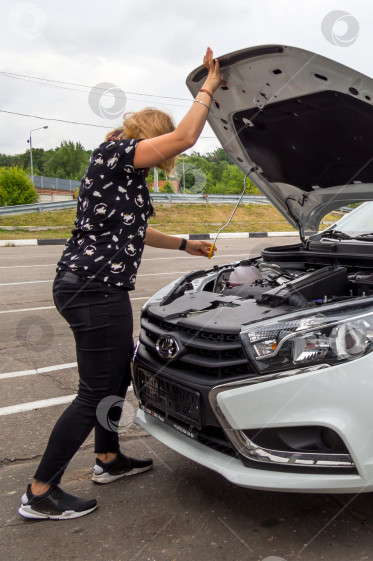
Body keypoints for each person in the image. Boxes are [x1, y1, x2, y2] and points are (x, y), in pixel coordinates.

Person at [18, 48, 225, 520]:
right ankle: (40, 492)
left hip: (87, 285)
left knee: (113, 376)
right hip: (93, 288)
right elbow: (187, 137)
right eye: (161, 143)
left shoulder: (123, 174)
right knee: (94, 390)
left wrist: (183, 246)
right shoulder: (117, 153)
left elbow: (134, 230)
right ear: (149, 137)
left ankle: (108, 459)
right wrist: (209, 87)